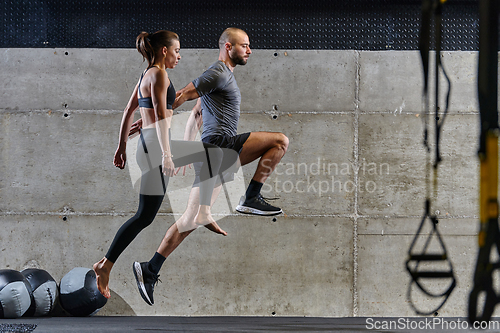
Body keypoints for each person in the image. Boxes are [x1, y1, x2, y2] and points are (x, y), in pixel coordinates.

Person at [132, 27, 289, 306]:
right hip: (222, 145)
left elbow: (196, 112)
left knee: (191, 220)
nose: (249, 51)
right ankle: (251, 196)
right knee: (279, 141)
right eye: (244, 46)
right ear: (228, 47)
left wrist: (186, 141)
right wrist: (154, 123)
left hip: (213, 156)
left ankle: (150, 268)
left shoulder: (222, 78)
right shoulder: (218, 72)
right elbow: (181, 95)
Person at [92, 30, 226, 300]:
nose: (180, 55)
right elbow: (162, 118)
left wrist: (121, 147)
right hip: (156, 148)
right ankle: (204, 212)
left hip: (145, 147)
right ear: (164, 51)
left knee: (144, 216)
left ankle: (105, 265)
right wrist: (166, 154)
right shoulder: (160, 75)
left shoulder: (145, 75)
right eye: (177, 50)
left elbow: (130, 111)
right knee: (215, 156)